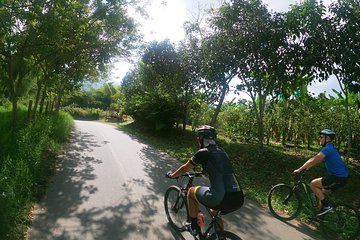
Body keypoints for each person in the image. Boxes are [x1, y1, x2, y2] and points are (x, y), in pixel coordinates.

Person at [166, 125, 244, 236]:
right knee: (213, 209)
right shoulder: (222, 151)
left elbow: (184, 168)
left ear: (201, 138)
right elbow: (219, 168)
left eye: (198, 138)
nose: (197, 140)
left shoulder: (203, 152)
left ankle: (193, 226)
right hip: (238, 198)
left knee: (191, 192)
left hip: (221, 197)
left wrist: (173, 175)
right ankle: (221, 236)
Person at [293, 129, 349, 216]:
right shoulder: (331, 148)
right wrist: (307, 168)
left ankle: (326, 206)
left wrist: (300, 169)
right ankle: (320, 215)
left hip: (338, 177)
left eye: (321, 137)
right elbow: (316, 161)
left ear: (328, 139)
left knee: (313, 184)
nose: (319, 138)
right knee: (321, 193)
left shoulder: (328, 149)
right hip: (341, 178)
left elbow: (314, 160)